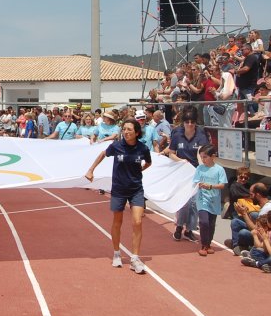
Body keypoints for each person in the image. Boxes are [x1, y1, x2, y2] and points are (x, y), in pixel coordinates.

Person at [85, 118, 151, 274]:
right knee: (117, 221)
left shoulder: (143, 148)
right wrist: (91, 170)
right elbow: (103, 154)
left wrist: (139, 170)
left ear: (137, 133)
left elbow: (148, 163)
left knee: (137, 221)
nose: (126, 132)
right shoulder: (117, 146)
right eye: (124, 129)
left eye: (129, 129)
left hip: (136, 189)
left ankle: (135, 258)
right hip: (119, 189)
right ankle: (116, 253)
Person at [162, 107, 209, 242]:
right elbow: (171, 153)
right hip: (181, 171)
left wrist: (202, 168)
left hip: (195, 171)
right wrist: (181, 160)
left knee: (194, 203)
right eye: (187, 122)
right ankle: (179, 227)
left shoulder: (200, 134)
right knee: (185, 202)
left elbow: (201, 153)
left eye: (192, 122)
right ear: (183, 122)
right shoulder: (177, 134)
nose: (189, 124)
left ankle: (189, 230)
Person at [226, 182, 271, 255]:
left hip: (266, 237)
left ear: (258, 195)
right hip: (263, 232)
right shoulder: (267, 204)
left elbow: (257, 230)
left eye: (251, 194)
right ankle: (236, 245)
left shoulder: (267, 209)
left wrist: (244, 213)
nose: (250, 197)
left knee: (243, 232)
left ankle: (244, 246)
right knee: (236, 221)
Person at [193, 145, 227, 257]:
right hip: (202, 199)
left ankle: (208, 243)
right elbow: (196, 181)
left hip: (214, 200)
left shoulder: (219, 169)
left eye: (205, 157)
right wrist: (200, 184)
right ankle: (203, 244)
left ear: (213, 156)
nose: (203, 160)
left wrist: (211, 186)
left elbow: (222, 185)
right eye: (201, 157)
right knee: (204, 222)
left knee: (211, 224)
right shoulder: (199, 168)